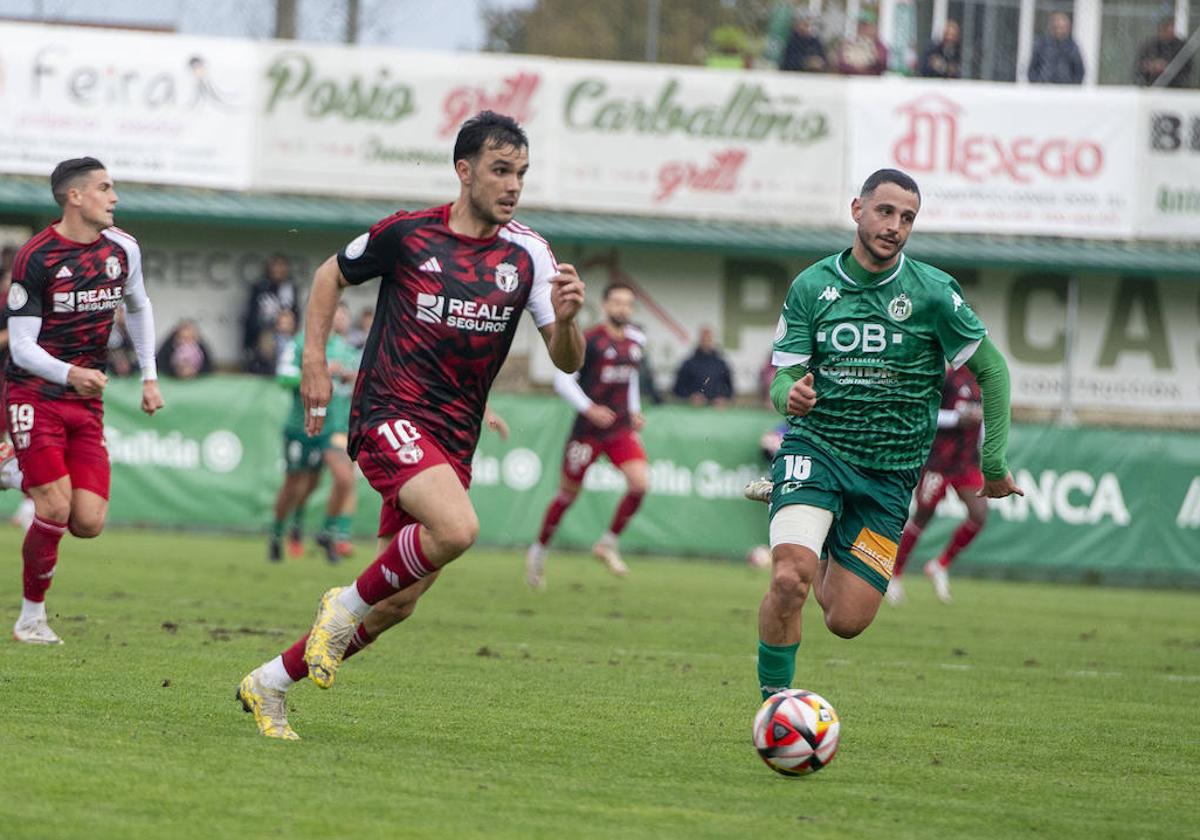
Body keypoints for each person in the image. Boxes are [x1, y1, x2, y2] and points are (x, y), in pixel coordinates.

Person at [236, 111, 586, 740]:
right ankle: (338, 607)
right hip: (387, 413)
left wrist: (565, 322)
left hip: (455, 436)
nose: (513, 186)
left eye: (522, 174)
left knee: (398, 600)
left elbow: (566, 361)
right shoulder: (408, 235)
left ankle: (270, 683)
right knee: (457, 528)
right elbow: (328, 275)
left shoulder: (530, 254)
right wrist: (314, 361)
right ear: (464, 171)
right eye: (501, 171)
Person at [744, 168, 1021, 702]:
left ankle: (825, 534)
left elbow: (993, 371)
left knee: (847, 620)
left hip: (889, 477)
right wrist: (788, 396)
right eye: (886, 211)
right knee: (788, 580)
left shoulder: (934, 293)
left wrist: (993, 462)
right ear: (857, 210)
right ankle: (775, 708)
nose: (895, 225)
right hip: (815, 448)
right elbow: (782, 375)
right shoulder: (812, 285)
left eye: (908, 218)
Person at [6, 157, 163, 645]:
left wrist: (149, 376)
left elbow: (138, 306)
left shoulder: (123, 249)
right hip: (35, 392)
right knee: (53, 507)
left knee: (88, 522)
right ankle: (31, 617)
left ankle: (13, 467)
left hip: (85, 402)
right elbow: (21, 347)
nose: (114, 197)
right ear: (75, 197)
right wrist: (71, 373)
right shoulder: (36, 257)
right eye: (105, 187)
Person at [527, 282, 648, 587]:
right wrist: (589, 409)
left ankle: (607, 543)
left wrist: (634, 410)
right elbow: (563, 381)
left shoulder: (636, 340)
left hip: (620, 428)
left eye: (627, 303)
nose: (622, 308)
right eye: (617, 302)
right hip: (588, 432)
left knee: (640, 484)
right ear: (605, 306)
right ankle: (538, 551)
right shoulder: (590, 340)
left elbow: (629, 379)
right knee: (567, 496)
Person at [268, 302, 360, 565]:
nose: (336, 319)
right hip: (300, 427)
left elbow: (354, 380)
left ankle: (326, 534)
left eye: (341, 314)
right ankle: (277, 533)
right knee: (294, 484)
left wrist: (348, 377)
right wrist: (315, 374)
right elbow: (283, 378)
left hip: (331, 427)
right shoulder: (300, 344)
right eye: (332, 313)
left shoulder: (344, 348)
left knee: (344, 479)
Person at [887, 364, 987, 605]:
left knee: (979, 514)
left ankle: (940, 565)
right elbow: (924, 413)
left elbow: (983, 419)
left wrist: (984, 449)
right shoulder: (946, 379)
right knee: (922, 516)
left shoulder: (981, 382)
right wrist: (956, 418)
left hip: (966, 463)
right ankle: (894, 573)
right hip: (939, 462)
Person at [242, 253, 299, 374]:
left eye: (281, 266)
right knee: (267, 343)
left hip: (286, 333)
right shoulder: (260, 287)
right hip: (264, 332)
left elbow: (296, 313)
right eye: (275, 265)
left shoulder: (290, 287)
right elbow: (252, 316)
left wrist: (289, 327)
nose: (278, 269)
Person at [672, 325, 734, 406]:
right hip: (694, 412)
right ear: (699, 339)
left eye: (709, 338)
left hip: (717, 412)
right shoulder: (688, 363)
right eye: (704, 338)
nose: (706, 340)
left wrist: (722, 397)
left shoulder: (721, 364)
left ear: (713, 340)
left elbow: (730, 388)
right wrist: (691, 397)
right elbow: (678, 388)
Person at [1028, 12, 1084, 85]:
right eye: (1056, 27)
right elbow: (1032, 68)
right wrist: (1037, 83)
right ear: (1051, 28)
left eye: (1062, 28)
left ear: (1067, 29)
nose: (1059, 31)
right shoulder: (1042, 45)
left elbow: (1079, 70)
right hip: (1043, 89)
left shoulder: (1072, 47)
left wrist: (1072, 87)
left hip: (1065, 90)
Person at [1135, 17, 1193, 88]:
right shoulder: (1150, 46)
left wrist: (1168, 67)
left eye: (1171, 29)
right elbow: (1139, 67)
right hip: (1151, 87)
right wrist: (1150, 66)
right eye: (1165, 30)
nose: (1168, 33)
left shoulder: (1181, 48)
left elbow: (1186, 71)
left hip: (1176, 90)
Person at [836, 11, 888, 76]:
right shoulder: (850, 43)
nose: (862, 28)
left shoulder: (880, 46)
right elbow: (841, 63)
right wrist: (854, 67)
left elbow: (883, 63)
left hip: (872, 82)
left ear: (874, 27)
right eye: (860, 25)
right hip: (851, 82)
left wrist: (868, 64)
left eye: (866, 25)